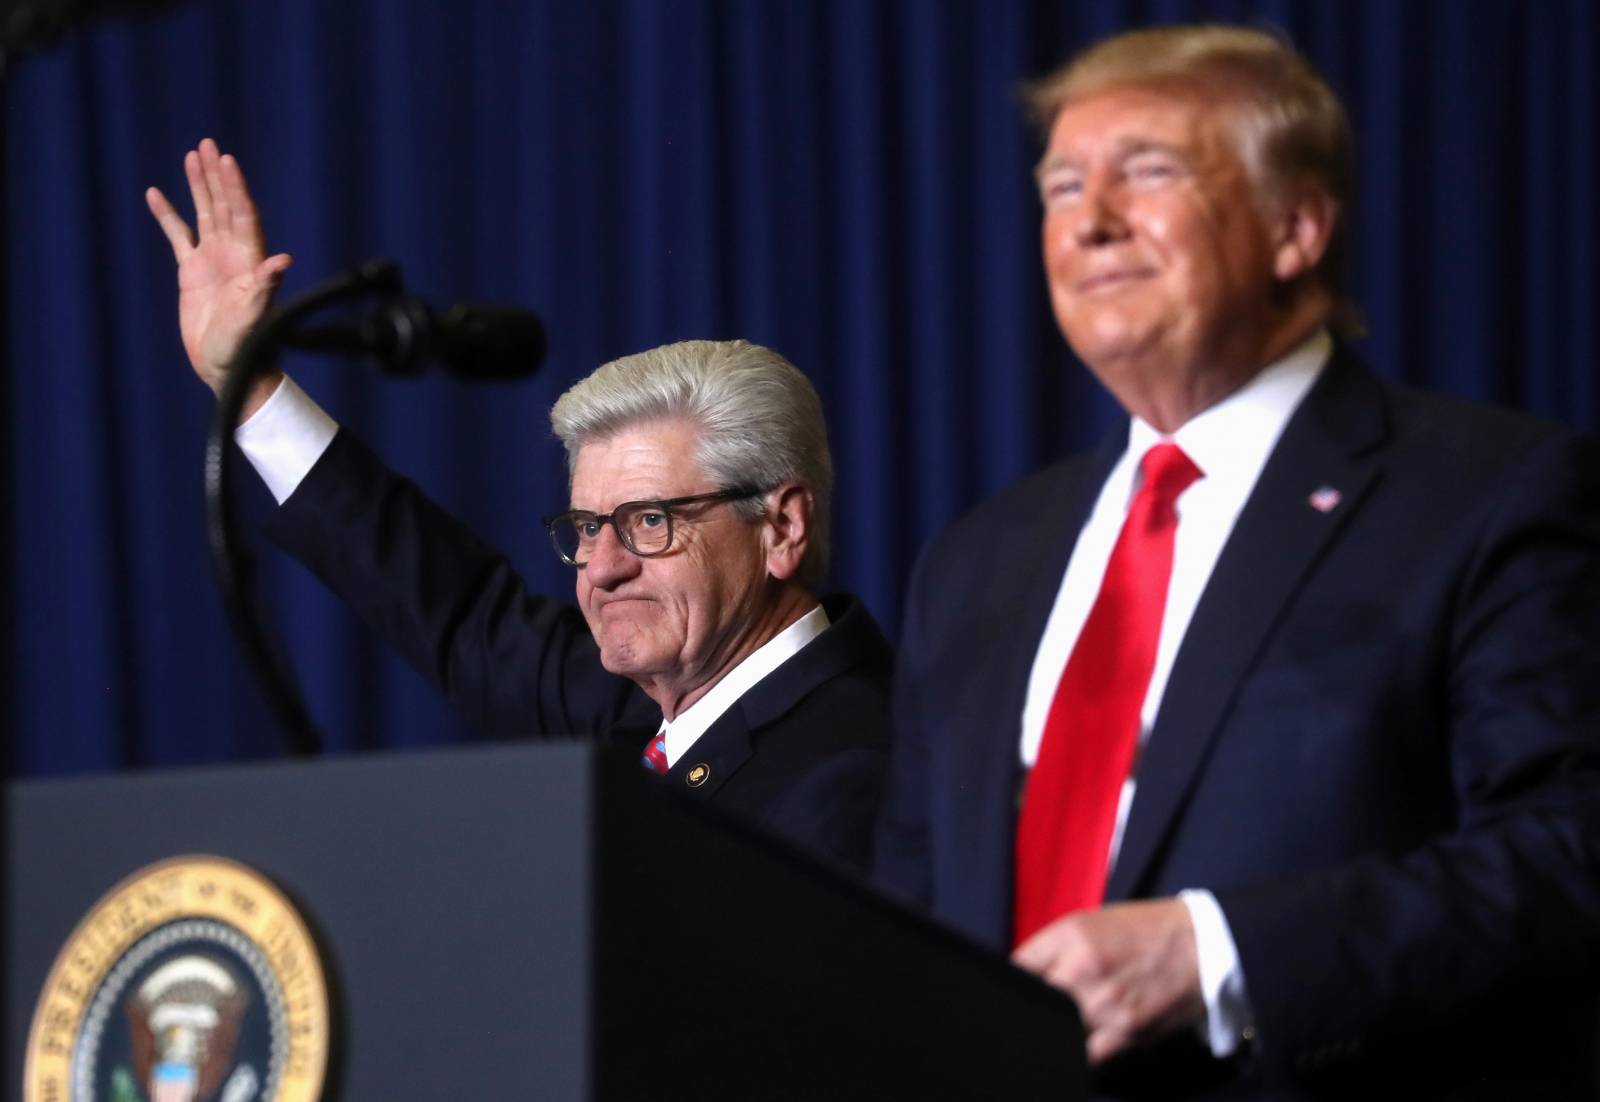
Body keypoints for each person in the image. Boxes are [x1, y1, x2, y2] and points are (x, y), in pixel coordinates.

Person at [873, 24, 1600, 1098]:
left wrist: (1214, 956)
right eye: (1061, 186)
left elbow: (1566, 854)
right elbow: (909, 920)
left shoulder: (1490, 493)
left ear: (1295, 227)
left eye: (1149, 172)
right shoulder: (979, 559)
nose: (1091, 222)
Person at [146, 141, 892, 871]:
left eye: (650, 522)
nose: (601, 569)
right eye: (587, 527)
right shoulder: (640, 705)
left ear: (782, 527)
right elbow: (455, 610)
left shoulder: (852, 770)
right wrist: (248, 384)